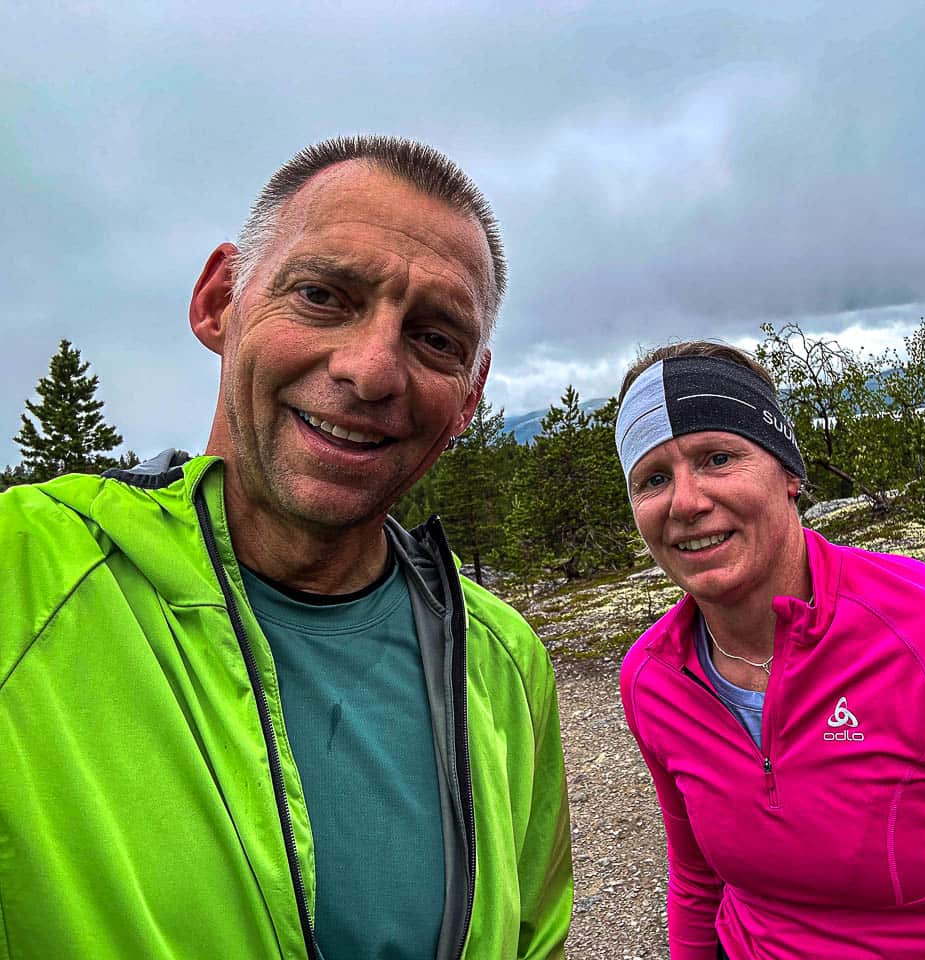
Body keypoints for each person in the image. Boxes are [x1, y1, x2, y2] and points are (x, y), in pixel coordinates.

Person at [0, 137, 572, 959]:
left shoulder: (504, 660)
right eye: (322, 295)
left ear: (469, 397)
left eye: (435, 339)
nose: (373, 370)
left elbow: (534, 938)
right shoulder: (23, 573)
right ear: (220, 301)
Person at [614, 341, 925, 959]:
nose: (686, 502)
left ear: (788, 471)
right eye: (654, 479)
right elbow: (697, 880)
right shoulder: (653, 677)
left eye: (718, 458)